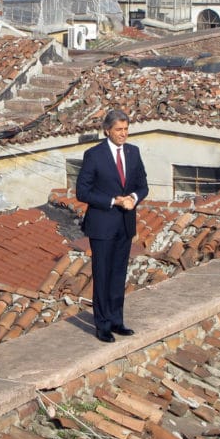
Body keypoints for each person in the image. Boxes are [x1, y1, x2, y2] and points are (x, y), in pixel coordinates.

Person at [76, 108, 149, 343]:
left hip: (125, 224)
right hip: (102, 225)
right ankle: (102, 324)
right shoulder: (94, 155)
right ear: (107, 130)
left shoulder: (133, 152)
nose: (123, 134)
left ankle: (117, 320)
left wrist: (133, 199)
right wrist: (113, 201)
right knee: (103, 274)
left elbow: (142, 185)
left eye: (126, 129)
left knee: (118, 274)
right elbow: (82, 191)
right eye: (119, 130)